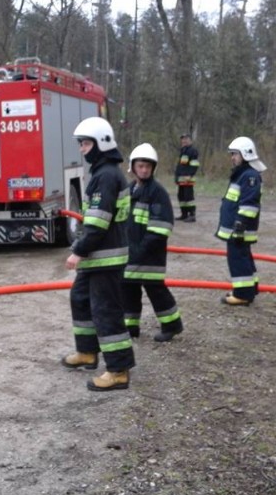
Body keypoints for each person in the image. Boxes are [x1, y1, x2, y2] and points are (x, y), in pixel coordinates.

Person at [62, 116, 135, 391]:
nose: (82, 149)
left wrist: (78, 251)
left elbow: (98, 222)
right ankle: (87, 352)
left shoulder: (106, 176)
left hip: (105, 257)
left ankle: (118, 370)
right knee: (80, 299)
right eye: (80, 144)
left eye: (85, 143)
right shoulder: (104, 172)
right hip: (99, 258)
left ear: (101, 143)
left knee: (106, 312)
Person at [122, 143, 183, 342]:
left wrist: (142, 249)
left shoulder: (157, 192)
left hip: (150, 255)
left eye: (148, 166)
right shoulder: (130, 189)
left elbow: (162, 227)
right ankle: (130, 327)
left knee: (155, 290)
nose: (145, 169)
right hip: (132, 253)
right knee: (128, 289)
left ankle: (172, 325)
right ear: (133, 167)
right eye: (141, 166)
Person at [216, 136, 265, 307]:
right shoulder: (242, 174)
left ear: (245, 154)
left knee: (238, 260)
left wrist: (239, 226)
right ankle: (250, 289)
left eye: (235, 154)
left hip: (240, 230)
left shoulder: (249, 176)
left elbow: (249, 204)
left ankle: (242, 294)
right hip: (238, 229)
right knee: (244, 258)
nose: (232, 157)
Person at [175, 133, 200, 222]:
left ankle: (192, 215)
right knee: (181, 196)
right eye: (183, 139)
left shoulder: (192, 151)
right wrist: (176, 176)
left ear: (190, 140)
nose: (184, 141)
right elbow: (180, 166)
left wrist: (190, 175)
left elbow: (194, 165)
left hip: (188, 179)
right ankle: (184, 214)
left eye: (186, 139)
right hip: (181, 179)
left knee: (188, 197)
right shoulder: (183, 151)